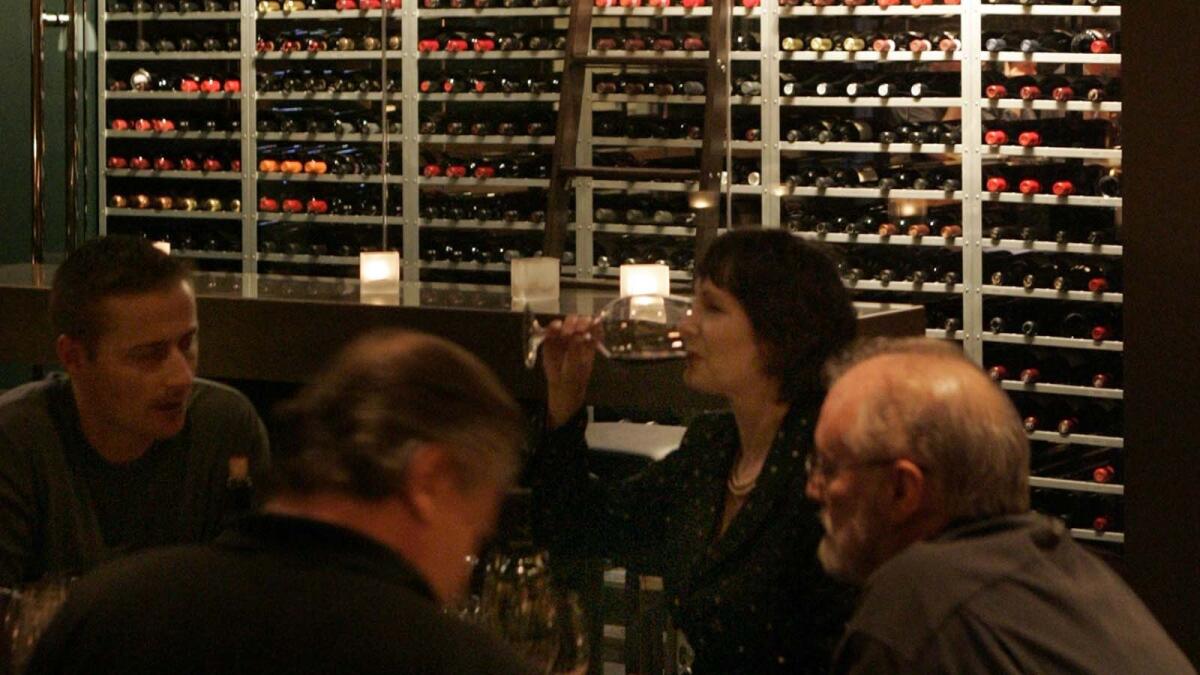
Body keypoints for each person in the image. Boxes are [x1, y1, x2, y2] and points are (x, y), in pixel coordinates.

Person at [28, 329, 536, 675]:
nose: (464, 571)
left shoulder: (108, 611)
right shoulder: (464, 664)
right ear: (431, 479)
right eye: (474, 531)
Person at [529, 229, 859, 673]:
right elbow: (579, 527)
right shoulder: (714, 446)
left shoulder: (828, 466)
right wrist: (564, 405)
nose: (685, 326)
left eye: (713, 307)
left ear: (779, 334)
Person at [807, 338, 1195, 674]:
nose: (813, 488)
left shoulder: (912, 607)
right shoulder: (1067, 567)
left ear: (902, 491)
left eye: (828, 466)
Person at [0, 236, 269, 586]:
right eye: (148, 355)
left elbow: (252, 593)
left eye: (187, 344)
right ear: (74, 358)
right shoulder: (16, 441)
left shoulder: (226, 426)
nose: (182, 377)